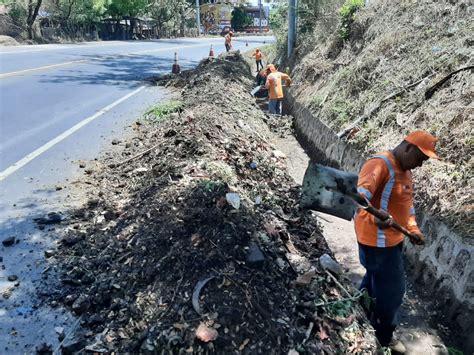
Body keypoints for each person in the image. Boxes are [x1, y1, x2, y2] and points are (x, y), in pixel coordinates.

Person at [355, 131, 440, 353]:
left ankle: (359, 312)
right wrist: (376, 218)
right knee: (393, 291)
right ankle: (384, 336)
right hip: (377, 243)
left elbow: (406, 206)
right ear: (408, 147)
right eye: (420, 159)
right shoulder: (380, 164)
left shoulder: (405, 172)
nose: (420, 165)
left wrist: (413, 229)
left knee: (374, 280)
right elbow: (358, 199)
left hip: (393, 240)